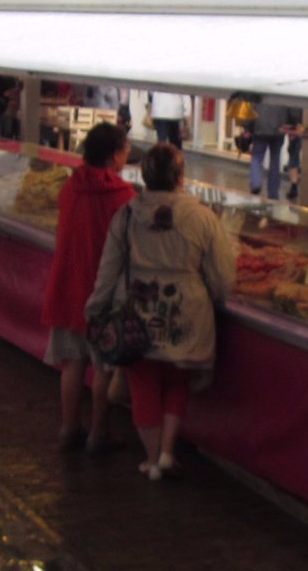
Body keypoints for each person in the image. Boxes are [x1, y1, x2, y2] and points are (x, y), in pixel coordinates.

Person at [87, 142, 235, 481]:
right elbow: (223, 277)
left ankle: (152, 459)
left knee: (144, 384)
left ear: (144, 175)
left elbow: (108, 271)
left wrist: (94, 309)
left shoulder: (126, 215)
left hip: (138, 313)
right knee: (176, 381)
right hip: (188, 314)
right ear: (180, 177)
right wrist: (214, 299)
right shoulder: (204, 217)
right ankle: (168, 452)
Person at [42, 122, 136, 451]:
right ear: (114, 155)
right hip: (104, 292)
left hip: (69, 286)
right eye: (125, 149)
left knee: (72, 363)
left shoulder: (70, 187)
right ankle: (99, 433)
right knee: (103, 366)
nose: (128, 155)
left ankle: (69, 428)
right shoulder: (123, 196)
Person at [249, 101, 294, 201]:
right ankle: (273, 192)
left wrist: (248, 128)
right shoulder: (282, 91)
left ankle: (255, 183)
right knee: (275, 159)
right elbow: (291, 108)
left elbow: (251, 108)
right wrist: (292, 124)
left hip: (260, 126)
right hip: (279, 128)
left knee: (256, 157)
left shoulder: (260, 90)